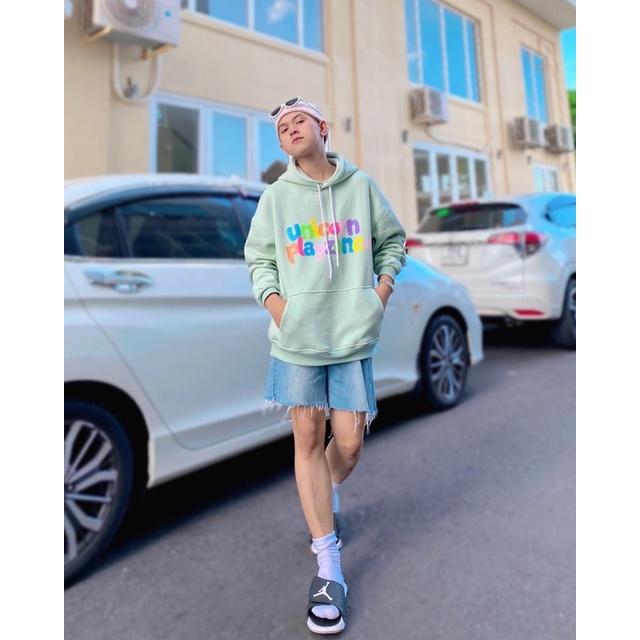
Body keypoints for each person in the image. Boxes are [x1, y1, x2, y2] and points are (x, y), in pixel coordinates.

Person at [244, 97, 407, 634]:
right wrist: (278, 307)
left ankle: (321, 492)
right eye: (282, 128)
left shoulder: (361, 187)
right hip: (297, 341)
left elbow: (392, 240)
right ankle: (328, 565)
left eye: (300, 121)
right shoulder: (276, 196)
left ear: (323, 128)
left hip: (351, 337)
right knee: (308, 439)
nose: (291, 130)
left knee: (350, 443)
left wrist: (380, 292)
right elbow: (259, 258)